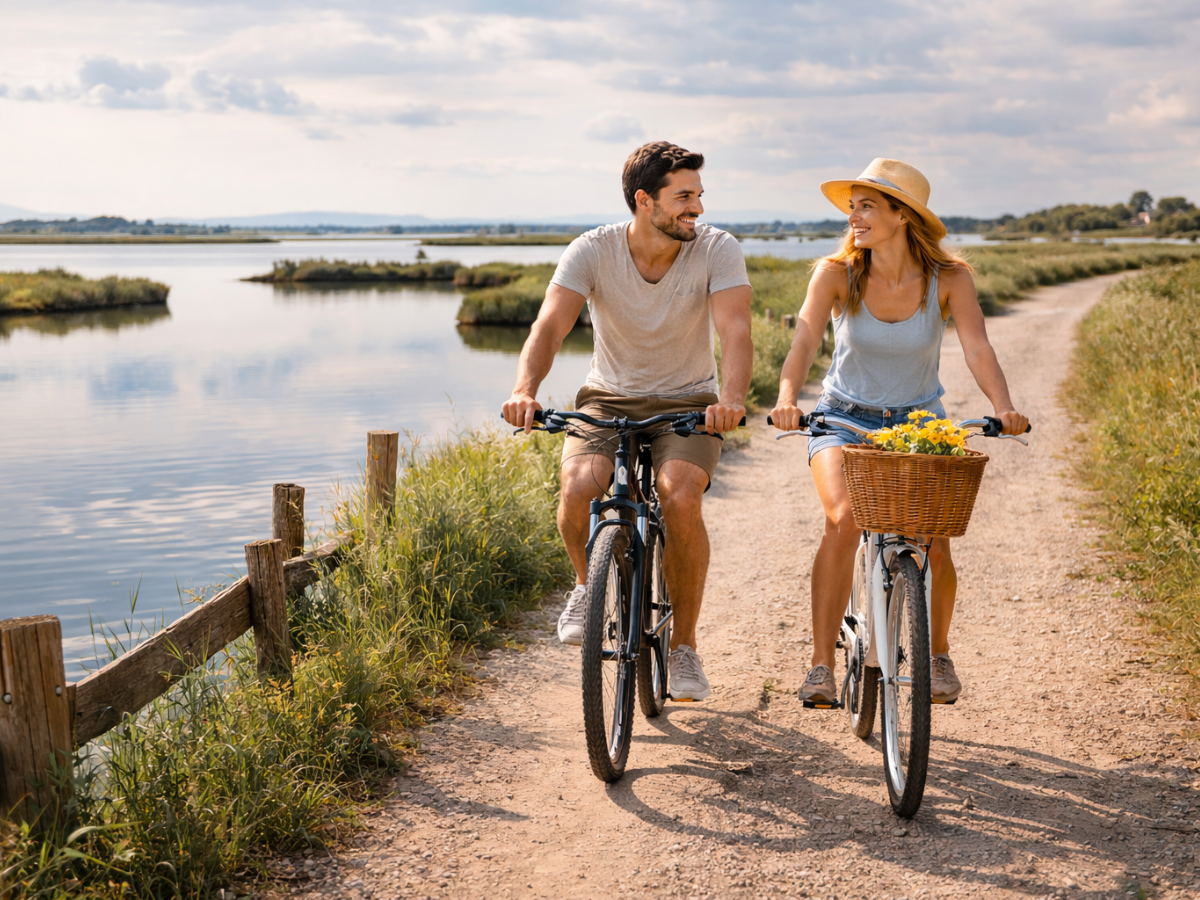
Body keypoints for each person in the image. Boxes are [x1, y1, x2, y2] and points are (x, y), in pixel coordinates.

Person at [770, 158, 1029, 706]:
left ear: (902, 215)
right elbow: (804, 340)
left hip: (918, 423)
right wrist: (788, 399)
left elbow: (977, 347)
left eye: (867, 205)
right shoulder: (835, 274)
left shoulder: (949, 280)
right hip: (842, 417)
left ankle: (937, 654)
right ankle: (820, 664)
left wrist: (1004, 407)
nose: (854, 216)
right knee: (843, 520)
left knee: (934, 538)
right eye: (852, 206)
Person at [502, 141, 753, 701]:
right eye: (684, 197)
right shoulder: (592, 250)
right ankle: (586, 585)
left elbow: (736, 329)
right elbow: (549, 327)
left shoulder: (717, 249)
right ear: (645, 201)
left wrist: (730, 398)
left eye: (699, 196)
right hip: (608, 399)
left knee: (679, 493)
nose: (698, 209)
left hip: (689, 402)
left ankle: (684, 648)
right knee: (578, 487)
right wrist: (525, 390)